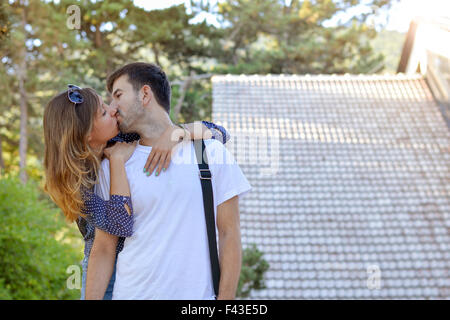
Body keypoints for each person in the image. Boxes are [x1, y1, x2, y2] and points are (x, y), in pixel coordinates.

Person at [43, 83, 230, 300]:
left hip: (141, 265)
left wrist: (176, 131)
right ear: (85, 134)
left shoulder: (123, 137)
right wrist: (117, 161)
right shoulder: (78, 185)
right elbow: (120, 224)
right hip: (105, 271)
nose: (113, 109)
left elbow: (219, 133)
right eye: (103, 112)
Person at [86, 62, 252, 300]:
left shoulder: (209, 152)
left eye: (118, 96)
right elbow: (104, 247)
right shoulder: (114, 161)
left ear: (144, 93)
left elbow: (229, 233)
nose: (112, 108)